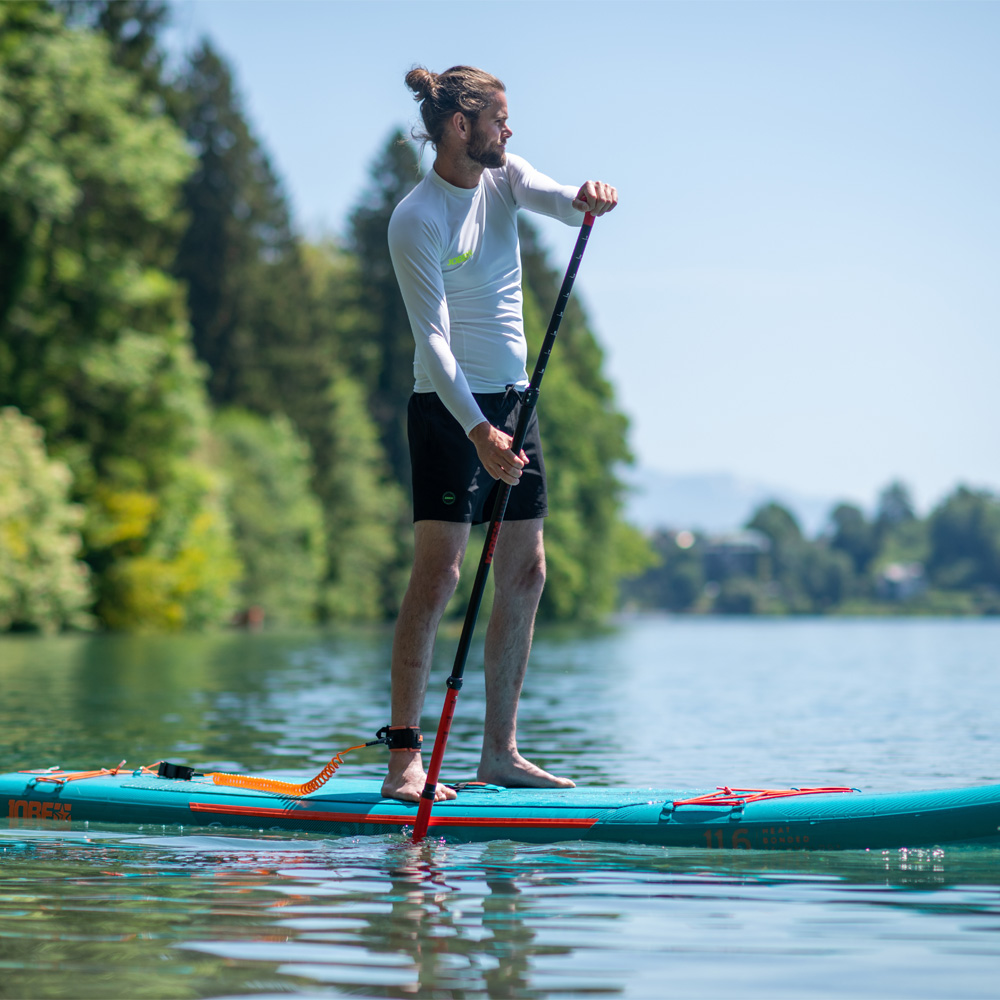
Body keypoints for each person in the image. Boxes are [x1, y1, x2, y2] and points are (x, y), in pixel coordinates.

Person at [383, 64, 617, 803]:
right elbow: (434, 344)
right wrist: (478, 430)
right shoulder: (416, 218)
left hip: (516, 403)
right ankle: (403, 765)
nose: (509, 132)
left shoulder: (505, 176)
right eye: (500, 120)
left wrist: (586, 198)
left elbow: (557, 196)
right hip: (452, 412)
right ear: (462, 125)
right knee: (441, 574)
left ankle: (499, 754)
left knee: (527, 569)